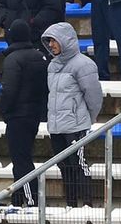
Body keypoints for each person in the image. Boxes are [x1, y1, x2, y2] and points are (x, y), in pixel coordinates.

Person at [42, 21, 102, 208]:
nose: (51, 45)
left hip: (76, 126)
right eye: (49, 41)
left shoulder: (84, 65)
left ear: (65, 40)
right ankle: (71, 204)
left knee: (79, 165)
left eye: (54, 40)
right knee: (64, 167)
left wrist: (87, 119)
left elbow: (94, 96)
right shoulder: (52, 66)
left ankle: (87, 204)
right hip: (56, 127)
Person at [0, 18, 49, 206]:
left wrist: (4, 111)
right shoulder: (40, 56)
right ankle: (19, 197)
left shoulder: (13, 59)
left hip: (18, 115)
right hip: (34, 114)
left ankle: (29, 197)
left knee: (21, 159)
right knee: (23, 155)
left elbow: (9, 90)